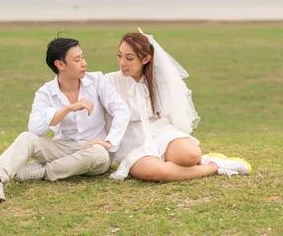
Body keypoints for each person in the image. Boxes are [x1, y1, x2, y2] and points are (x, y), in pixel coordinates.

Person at [0, 37, 130, 202]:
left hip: (93, 151)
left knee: (99, 154)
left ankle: (43, 171)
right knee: (26, 138)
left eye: (83, 57)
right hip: (62, 147)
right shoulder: (45, 92)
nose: (84, 63)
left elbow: (121, 110)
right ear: (60, 65)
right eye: (77, 60)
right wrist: (67, 109)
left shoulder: (98, 81)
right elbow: (35, 129)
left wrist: (108, 142)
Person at [106, 29, 251, 181]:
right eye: (119, 55)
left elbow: (171, 111)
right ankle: (214, 166)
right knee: (157, 172)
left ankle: (200, 160)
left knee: (191, 155)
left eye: (129, 58)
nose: (122, 63)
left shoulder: (158, 81)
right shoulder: (110, 82)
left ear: (146, 59)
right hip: (131, 142)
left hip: (159, 131)